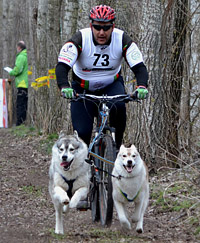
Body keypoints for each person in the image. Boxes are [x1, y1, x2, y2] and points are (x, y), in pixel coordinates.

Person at [56, 5, 148, 150]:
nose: (101, 32)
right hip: (82, 88)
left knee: (119, 106)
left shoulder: (122, 38)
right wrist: (64, 86)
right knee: (83, 133)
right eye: (97, 27)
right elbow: (62, 66)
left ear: (113, 26)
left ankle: (117, 148)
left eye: (106, 28)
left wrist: (142, 86)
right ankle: (86, 163)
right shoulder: (80, 38)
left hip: (111, 84)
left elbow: (139, 67)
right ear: (90, 25)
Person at [9, 41, 28, 126]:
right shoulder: (27, 55)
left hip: (22, 83)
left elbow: (18, 70)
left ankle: (19, 123)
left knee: (20, 105)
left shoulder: (21, 56)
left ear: (19, 48)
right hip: (27, 83)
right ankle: (23, 122)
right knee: (24, 105)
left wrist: (11, 72)